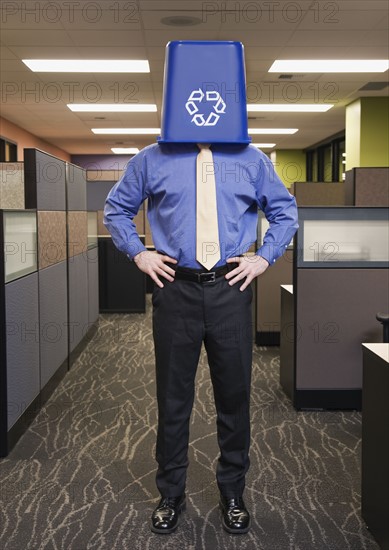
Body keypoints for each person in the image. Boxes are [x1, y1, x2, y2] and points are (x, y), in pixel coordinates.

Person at [104, 41, 298, 535]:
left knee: (235, 398)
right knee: (174, 400)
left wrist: (263, 257)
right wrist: (139, 252)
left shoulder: (252, 158)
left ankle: (233, 492)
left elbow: (285, 211)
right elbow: (116, 209)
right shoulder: (152, 158)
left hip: (231, 291)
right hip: (177, 292)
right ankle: (171, 494)